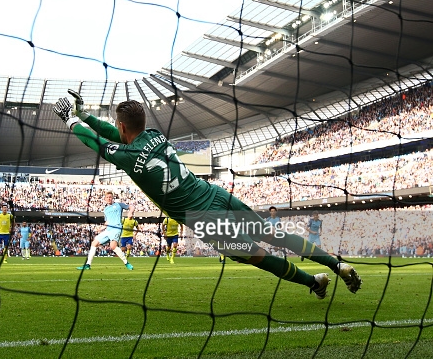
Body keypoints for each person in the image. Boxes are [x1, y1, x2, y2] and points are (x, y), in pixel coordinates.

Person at [54, 90, 362, 299]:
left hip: (202, 216)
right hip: (214, 193)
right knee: (273, 233)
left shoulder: (127, 156)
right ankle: (336, 265)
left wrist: (72, 119)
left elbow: (97, 140)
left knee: (256, 254)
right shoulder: (155, 135)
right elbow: (112, 132)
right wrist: (85, 115)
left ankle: (314, 282)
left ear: (122, 126)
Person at [76, 191, 135, 270]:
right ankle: (88, 265)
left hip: (116, 228)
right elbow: (107, 222)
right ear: (105, 199)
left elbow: (131, 207)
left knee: (113, 246)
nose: (109, 198)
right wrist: (100, 228)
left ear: (112, 198)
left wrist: (130, 212)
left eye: (110, 197)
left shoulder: (118, 205)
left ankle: (126, 263)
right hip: (108, 230)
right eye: (107, 197)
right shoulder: (106, 209)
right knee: (94, 243)